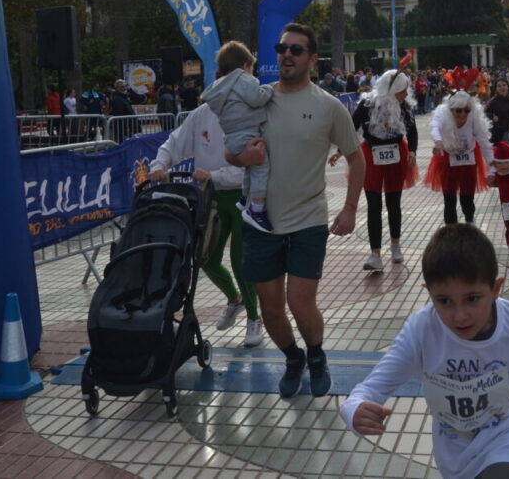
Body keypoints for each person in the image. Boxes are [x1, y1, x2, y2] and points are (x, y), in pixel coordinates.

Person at [340, 223, 509, 479]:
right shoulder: (421, 331)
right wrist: (354, 410)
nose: (459, 316)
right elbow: (371, 388)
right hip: (455, 453)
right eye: (444, 301)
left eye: (472, 299)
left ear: (496, 289)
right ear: (429, 292)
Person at [226, 22, 365, 399]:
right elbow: (230, 151)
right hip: (260, 221)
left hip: (308, 221)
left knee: (299, 302)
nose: (286, 54)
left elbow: (356, 156)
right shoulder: (259, 99)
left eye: (296, 50)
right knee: (270, 309)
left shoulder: (328, 106)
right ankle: (293, 358)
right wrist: (242, 157)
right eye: (282, 48)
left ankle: (317, 356)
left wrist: (351, 208)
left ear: (312, 59)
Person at [149, 67, 263, 348]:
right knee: (204, 257)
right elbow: (174, 142)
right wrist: (159, 166)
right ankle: (234, 298)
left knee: (240, 259)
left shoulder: (251, 112)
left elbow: (253, 162)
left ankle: (253, 317)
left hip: (244, 195)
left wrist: (215, 175)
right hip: (211, 197)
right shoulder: (201, 114)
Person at [332, 69, 418, 272]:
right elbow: (351, 126)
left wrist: (413, 150)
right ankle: (375, 254)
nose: (406, 95)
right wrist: (340, 150)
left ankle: (395, 245)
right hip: (371, 153)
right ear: (393, 90)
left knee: (394, 202)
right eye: (403, 91)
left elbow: (412, 129)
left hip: (396, 153)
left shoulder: (404, 106)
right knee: (373, 205)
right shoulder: (368, 103)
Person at [201, 41, 275, 233]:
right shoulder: (242, 78)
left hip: (232, 139)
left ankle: (244, 198)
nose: (253, 72)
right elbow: (257, 98)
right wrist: (269, 90)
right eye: (252, 67)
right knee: (261, 166)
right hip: (247, 134)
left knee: (249, 169)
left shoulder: (218, 87)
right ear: (244, 65)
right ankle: (257, 209)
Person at [424, 91, 493, 225]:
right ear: (450, 110)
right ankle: (451, 230)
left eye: (466, 110)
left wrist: (492, 169)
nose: (462, 114)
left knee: (467, 198)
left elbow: (485, 144)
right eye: (458, 111)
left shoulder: (474, 117)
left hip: (469, 160)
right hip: (448, 159)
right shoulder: (442, 113)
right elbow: (435, 127)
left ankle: (470, 224)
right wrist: (438, 141)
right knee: (449, 199)